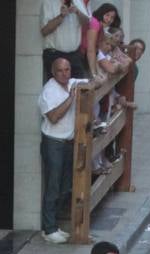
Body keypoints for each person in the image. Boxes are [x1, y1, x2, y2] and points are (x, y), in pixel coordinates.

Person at [39, 57, 83, 244]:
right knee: (53, 185)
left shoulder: (73, 83)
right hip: (53, 143)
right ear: (53, 72)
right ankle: (48, 228)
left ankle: (55, 225)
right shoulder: (48, 91)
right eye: (60, 71)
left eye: (67, 69)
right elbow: (54, 117)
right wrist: (71, 99)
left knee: (66, 186)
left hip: (68, 142)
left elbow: (96, 82)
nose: (65, 74)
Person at [41, 0, 91, 79]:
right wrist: (61, 16)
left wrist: (77, 12)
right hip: (55, 55)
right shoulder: (48, 2)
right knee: (57, 88)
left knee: (79, 86)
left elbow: (86, 22)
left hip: (75, 55)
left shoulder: (77, 1)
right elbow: (45, 31)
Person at [83, 3, 121, 78]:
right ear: (101, 13)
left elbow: (110, 41)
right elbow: (91, 50)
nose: (109, 19)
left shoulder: (100, 27)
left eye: (112, 17)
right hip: (81, 57)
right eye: (107, 15)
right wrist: (94, 74)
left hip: (87, 58)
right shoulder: (95, 23)